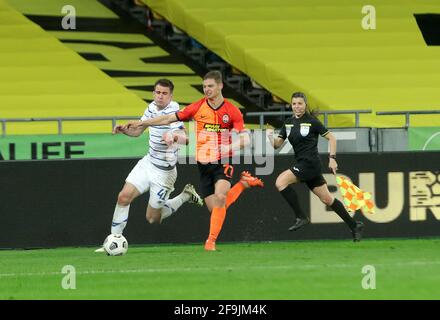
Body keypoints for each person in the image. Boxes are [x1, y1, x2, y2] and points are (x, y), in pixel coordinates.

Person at [121, 71, 264, 251]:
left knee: (220, 197)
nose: (207, 89)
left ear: (220, 86)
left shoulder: (232, 111)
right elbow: (167, 118)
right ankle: (243, 184)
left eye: (210, 86)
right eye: (204, 86)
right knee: (216, 209)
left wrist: (226, 149)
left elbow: (246, 139)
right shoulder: (197, 107)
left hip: (224, 160)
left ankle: (210, 242)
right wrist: (142, 123)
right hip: (203, 162)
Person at [96, 79, 203, 252]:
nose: (160, 96)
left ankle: (185, 196)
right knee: (123, 197)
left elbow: (186, 137)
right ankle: (113, 241)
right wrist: (124, 130)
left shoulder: (174, 110)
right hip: (148, 163)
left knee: (153, 218)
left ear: (171, 95)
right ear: (154, 93)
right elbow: (138, 131)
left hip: (164, 173)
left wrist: (173, 137)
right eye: (158, 92)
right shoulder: (151, 108)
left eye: (164, 93)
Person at [267, 92, 364, 242]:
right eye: (294, 104)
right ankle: (354, 225)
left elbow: (331, 138)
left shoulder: (312, 121)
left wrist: (332, 158)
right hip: (305, 165)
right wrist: (269, 137)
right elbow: (277, 145)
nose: (297, 107)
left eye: (300, 103)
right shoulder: (288, 122)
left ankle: (301, 216)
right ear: (291, 105)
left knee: (280, 182)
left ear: (305, 105)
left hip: (310, 164)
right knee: (327, 199)